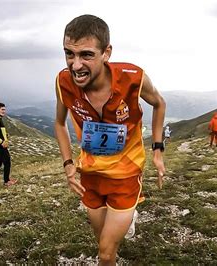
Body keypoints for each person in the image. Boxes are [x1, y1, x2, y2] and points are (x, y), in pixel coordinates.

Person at [54, 14, 166, 265]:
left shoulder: (133, 78)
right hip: (91, 175)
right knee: (102, 240)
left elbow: (159, 103)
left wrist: (158, 151)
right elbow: (59, 123)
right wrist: (68, 164)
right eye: (69, 54)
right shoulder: (63, 82)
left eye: (86, 55)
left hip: (126, 176)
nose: (75, 65)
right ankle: (124, 223)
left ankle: (126, 216)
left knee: (104, 252)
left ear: (106, 53)